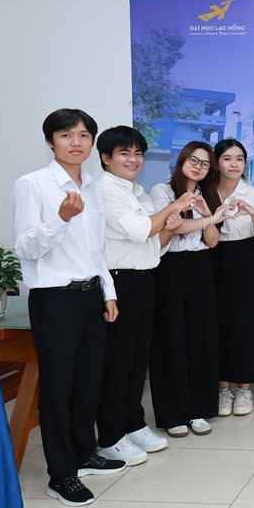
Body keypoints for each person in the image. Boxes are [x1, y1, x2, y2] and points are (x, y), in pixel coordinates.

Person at [12, 108, 123, 507]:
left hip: (92, 295)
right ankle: (61, 474)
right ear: (50, 141)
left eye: (83, 135)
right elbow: (25, 248)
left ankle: (83, 452)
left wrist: (108, 292)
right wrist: (60, 218)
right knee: (58, 387)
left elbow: (97, 248)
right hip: (55, 299)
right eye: (66, 135)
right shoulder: (33, 185)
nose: (76, 142)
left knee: (87, 382)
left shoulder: (91, 186)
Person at [95, 125, 192, 466]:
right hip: (119, 282)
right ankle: (110, 436)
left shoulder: (139, 192)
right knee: (118, 361)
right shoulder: (105, 191)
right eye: (124, 153)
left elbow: (154, 245)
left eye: (138, 153)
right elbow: (139, 230)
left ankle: (132, 423)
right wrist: (173, 207)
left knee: (138, 360)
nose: (133, 159)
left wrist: (169, 228)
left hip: (145, 278)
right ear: (105, 158)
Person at [149, 141, 227, 439]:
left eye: (205, 164)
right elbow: (173, 227)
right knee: (171, 338)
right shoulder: (163, 191)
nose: (198, 167)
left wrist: (207, 215)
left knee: (200, 337)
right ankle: (173, 413)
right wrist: (209, 219)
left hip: (201, 267)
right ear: (182, 160)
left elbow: (212, 240)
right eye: (193, 160)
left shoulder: (209, 195)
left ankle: (199, 409)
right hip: (169, 267)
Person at [213, 139, 254, 417]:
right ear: (217, 162)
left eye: (240, 159)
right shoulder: (206, 192)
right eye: (228, 158)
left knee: (248, 324)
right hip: (214, 259)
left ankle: (244, 388)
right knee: (219, 324)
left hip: (249, 260)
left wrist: (251, 210)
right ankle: (222, 388)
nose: (234, 164)